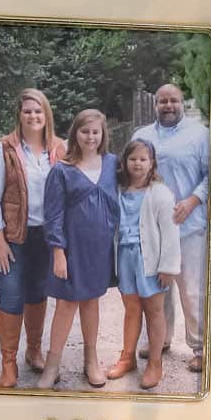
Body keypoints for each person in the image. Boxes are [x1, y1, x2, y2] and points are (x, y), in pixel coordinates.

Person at [0, 88, 61, 389]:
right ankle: (8, 364)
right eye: (27, 110)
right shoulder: (3, 150)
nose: (33, 115)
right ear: (19, 115)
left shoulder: (59, 150)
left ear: (46, 114)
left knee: (38, 293)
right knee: (12, 295)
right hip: (14, 237)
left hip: (45, 236)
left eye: (38, 110)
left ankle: (34, 351)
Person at [38, 108, 119, 391]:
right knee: (66, 303)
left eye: (96, 132)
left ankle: (91, 360)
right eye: (85, 131)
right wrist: (58, 251)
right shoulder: (63, 169)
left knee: (91, 301)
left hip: (100, 250)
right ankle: (52, 366)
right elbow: (54, 213)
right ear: (76, 134)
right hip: (72, 250)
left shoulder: (112, 164)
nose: (91, 137)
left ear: (103, 134)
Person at [132, 82, 211, 372]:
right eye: (163, 101)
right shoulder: (142, 135)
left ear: (182, 102)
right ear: (155, 105)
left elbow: (210, 174)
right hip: (153, 228)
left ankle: (200, 347)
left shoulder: (200, 134)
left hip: (189, 224)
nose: (168, 105)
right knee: (156, 288)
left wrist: (192, 200)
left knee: (191, 289)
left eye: (174, 100)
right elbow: (134, 173)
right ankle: (159, 339)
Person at [106, 137, 180, 389]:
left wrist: (168, 266)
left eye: (143, 159)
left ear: (152, 163)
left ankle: (155, 362)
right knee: (131, 308)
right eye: (132, 159)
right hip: (126, 257)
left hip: (151, 260)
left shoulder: (159, 193)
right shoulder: (119, 190)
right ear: (125, 162)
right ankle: (127, 358)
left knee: (154, 310)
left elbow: (170, 232)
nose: (137, 164)